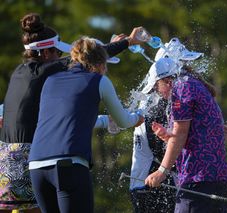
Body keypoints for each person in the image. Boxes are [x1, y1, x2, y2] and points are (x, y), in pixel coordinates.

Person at [0, 13, 145, 212]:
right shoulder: (47, 72)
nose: (62, 58)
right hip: (35, 155)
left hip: (10, 158)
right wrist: (127, 42)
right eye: (57, 53)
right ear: (45, 53)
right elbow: (87, 58)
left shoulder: (19, 73)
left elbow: (64, 119)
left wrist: (103, 121)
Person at [130, 38, 227, 213]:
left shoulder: (181, 88)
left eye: (157, 87)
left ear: (167, 81)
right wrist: (167, 135)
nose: (157, 92)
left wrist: (162, 171)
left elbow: (181, 134)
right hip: (218, 180)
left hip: (199, 182)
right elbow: (189, 134)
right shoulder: (195, 84)